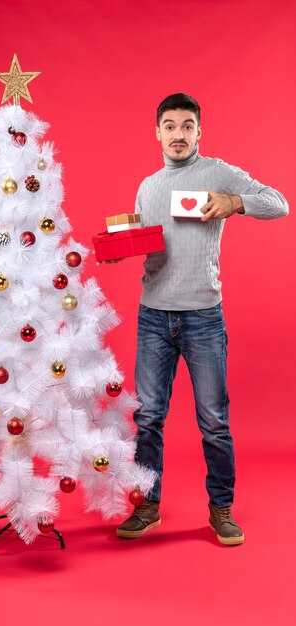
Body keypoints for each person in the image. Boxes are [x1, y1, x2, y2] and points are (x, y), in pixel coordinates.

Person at [115, 93, 288, 545]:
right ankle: (147, 506)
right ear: (157, 132)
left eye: (186, 126)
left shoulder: (217, 172)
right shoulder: (147, 186)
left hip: (202, 317)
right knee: (148, 416)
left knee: (213, 420)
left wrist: (234, 201)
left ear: (198, 131)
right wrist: (119, 249)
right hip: (153, 316)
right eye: (169, 125)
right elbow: (144, 245)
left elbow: (279, 202)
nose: (178, 133)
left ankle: (221, 509)